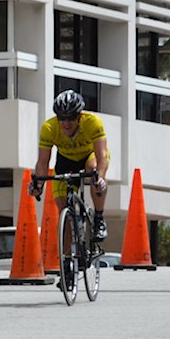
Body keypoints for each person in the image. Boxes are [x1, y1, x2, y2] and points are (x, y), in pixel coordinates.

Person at [30, 89, 109, 243]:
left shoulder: (92, 122)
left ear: (79, 116)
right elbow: (42, 162)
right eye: (62, 118)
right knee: (63, 214)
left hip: (89, 157)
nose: (66, 123)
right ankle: (66, 259)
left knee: (93, 173)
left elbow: (102, 156)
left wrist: (100, 178)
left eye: (71, 118)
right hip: (65, 161)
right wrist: (38, 184)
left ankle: (99, 217)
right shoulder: (49, 128)